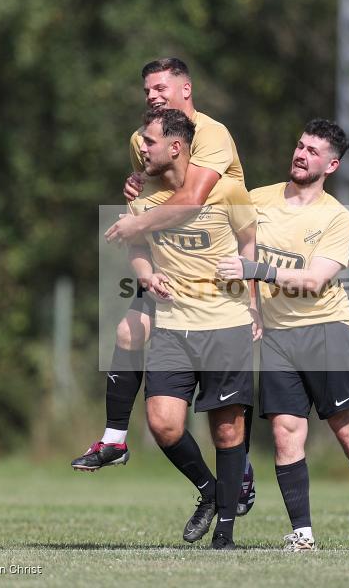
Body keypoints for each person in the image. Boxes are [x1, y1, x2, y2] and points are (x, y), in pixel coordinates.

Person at [70, 57, 255, 516]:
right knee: (128, 334)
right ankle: (116, 440)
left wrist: (136, 222)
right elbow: (151, 189)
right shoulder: (141, 138)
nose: (152, 95)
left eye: (160, 87)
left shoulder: (213, 135)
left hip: (216, 260)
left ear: (186, 89)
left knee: (227, 410)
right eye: (147, 89)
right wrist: (135, 197)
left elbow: (191, 198)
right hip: (173, 256)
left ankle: (241, 473)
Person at [217, 119, 349, 551]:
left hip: (327, 331)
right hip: (279, 336)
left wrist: (257, 271)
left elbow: (315, 281)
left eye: (313, 151)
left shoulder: (336, 217)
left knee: (348, 432)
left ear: (332, 164)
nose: (301, 154)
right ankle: (302, 535)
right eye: (300, 146)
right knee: (285, 431)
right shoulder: (257, 199)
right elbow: (211, 209)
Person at [127, 108, 259, 549]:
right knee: (163, 424)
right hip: (172, 327)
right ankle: (209, 491)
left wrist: (254, 301)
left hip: (226, 326)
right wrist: (145, 274)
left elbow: (247, 243)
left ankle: (224, 534)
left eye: (148, 141)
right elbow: (136, 247)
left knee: (226, 430)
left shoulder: (228, 191)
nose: (141, 147)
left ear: (176, 147)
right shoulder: (142, 200)